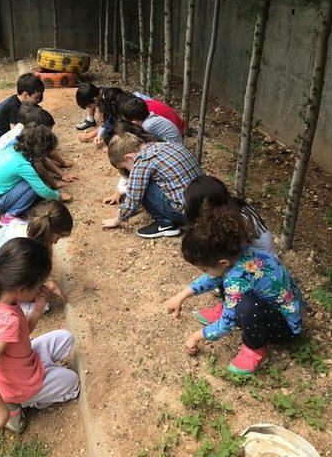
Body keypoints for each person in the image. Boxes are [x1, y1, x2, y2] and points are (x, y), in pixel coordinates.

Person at [167, 204, 303, 375]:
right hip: (281, 305)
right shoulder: (242, 253)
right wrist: (182, 295)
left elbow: (225, 326)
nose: (205, 273)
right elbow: (214, 277)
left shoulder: (235, 279)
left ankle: (255, 349)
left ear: (222, 262)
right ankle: (230, 309)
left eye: (204, 269)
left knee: (247, 305)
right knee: (227, 282)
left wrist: (195, 337)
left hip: (286, 328)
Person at [0, 238, 80, 434]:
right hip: (18, 384)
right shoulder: (6, 321)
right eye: (37, 286)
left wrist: (37, 308)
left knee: (66, 338)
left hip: (22, 361)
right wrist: (0, 416)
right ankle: (16, 406)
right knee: (73, 382)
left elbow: (21, 332)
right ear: (21, 290)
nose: (40, 289)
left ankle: (42, 376)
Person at [183, 175, 277, 326]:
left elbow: (227, 260)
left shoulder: (233, 227)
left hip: (259, 271)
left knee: (221, 269)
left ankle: (229, 308)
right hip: (264, 264)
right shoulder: (237, 210)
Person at [0, 200, 74, 315]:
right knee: (43, 306)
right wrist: (42, 288)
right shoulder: (26, 251)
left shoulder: (26, 228)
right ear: (49, 233)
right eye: (58, 237)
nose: (56, 242)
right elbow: (15, 280)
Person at [101, 130, 203, 238]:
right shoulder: (165, 145)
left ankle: (165, 222)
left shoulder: (143, 161)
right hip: (203, 207)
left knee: (142, 185)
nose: (128, 171)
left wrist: (117, 220)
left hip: (185, 214)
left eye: (125, 167)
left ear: (129, 157)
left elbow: (134, 197)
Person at [0, 124, 71, 226]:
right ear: (39, 151)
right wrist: (59, 196)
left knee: (34, 182)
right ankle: (9, 216)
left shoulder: (13, 150)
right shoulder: (22, 165)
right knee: (33, 186)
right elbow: (42, 190)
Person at [0, 103, 75, 187]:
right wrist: (54, 184)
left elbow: (46, 155)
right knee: (35, 179)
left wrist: (62, 171)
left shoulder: (26, 131)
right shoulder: (25, 140)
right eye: (48, 131)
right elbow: (39, 164)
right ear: (38, 129)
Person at [0, 73, 44, 143]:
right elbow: (14, 131)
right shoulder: (14, 106)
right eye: (36, 97)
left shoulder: (18, 101)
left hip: (4, 133)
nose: (38, 100)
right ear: (25, 95)